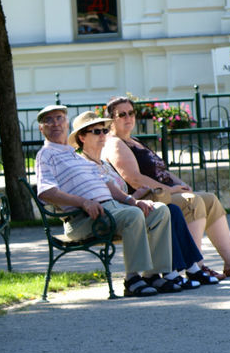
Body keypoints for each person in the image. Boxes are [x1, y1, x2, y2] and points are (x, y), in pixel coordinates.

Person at [102, 96, 230, 278]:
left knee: (209, 199)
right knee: (191, 202)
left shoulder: (134, 140)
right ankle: (196, 266)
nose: (128, 118)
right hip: (148, 198)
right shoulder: (115, 143)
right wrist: (171, 190)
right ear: (111, 120)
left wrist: (180, 184)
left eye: (131, 113)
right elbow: (134, 179)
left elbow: (161, 170)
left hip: (164, 191)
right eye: (122, 115)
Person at [34, 104, 174, 297]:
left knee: (159, 211)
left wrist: (133, 201)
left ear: (66, 124)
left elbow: (107, 185)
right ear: (41, 128)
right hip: (83, 218)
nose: (55, 123)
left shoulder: (77, 157)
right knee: (132, 216)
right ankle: (132, 280)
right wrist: (83, 202)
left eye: (59, 118)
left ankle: (152, 275)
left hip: (110, 209)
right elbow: (46, 191)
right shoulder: (46, 155)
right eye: (48, 120)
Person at [69, 111, 217, 289]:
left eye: (104, 130)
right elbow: (103, 194)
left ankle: (183, 268)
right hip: (103, 214)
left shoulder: (104, 163)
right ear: (82, 137)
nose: (103, 135)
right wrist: (134, 201)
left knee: (171, 210)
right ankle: (162, 273)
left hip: (122, 206)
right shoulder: (82, 164)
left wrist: (139, 195)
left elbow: (118, 192)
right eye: (96, 131)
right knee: (162, 211)